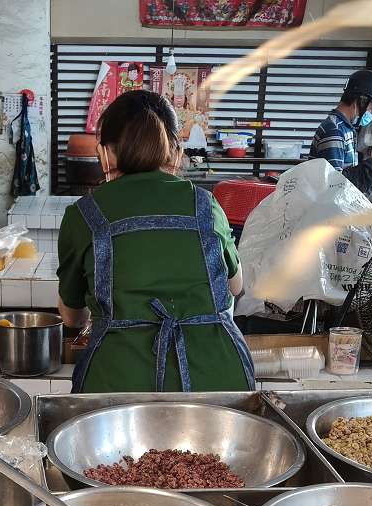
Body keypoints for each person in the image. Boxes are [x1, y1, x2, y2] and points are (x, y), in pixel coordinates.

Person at [57, 90, 253, 393]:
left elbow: (72, 316)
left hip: (119, 381)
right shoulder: (206, 205)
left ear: (106, 153)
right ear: (175, 150)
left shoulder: (83, 214)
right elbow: (235, 286)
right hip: (216, 376)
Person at [309, 69, 372, 196]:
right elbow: (332, 186)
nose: (371, 113)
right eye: (371, 108)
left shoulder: (346, 128)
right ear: (362, 100)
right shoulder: (334, 130)